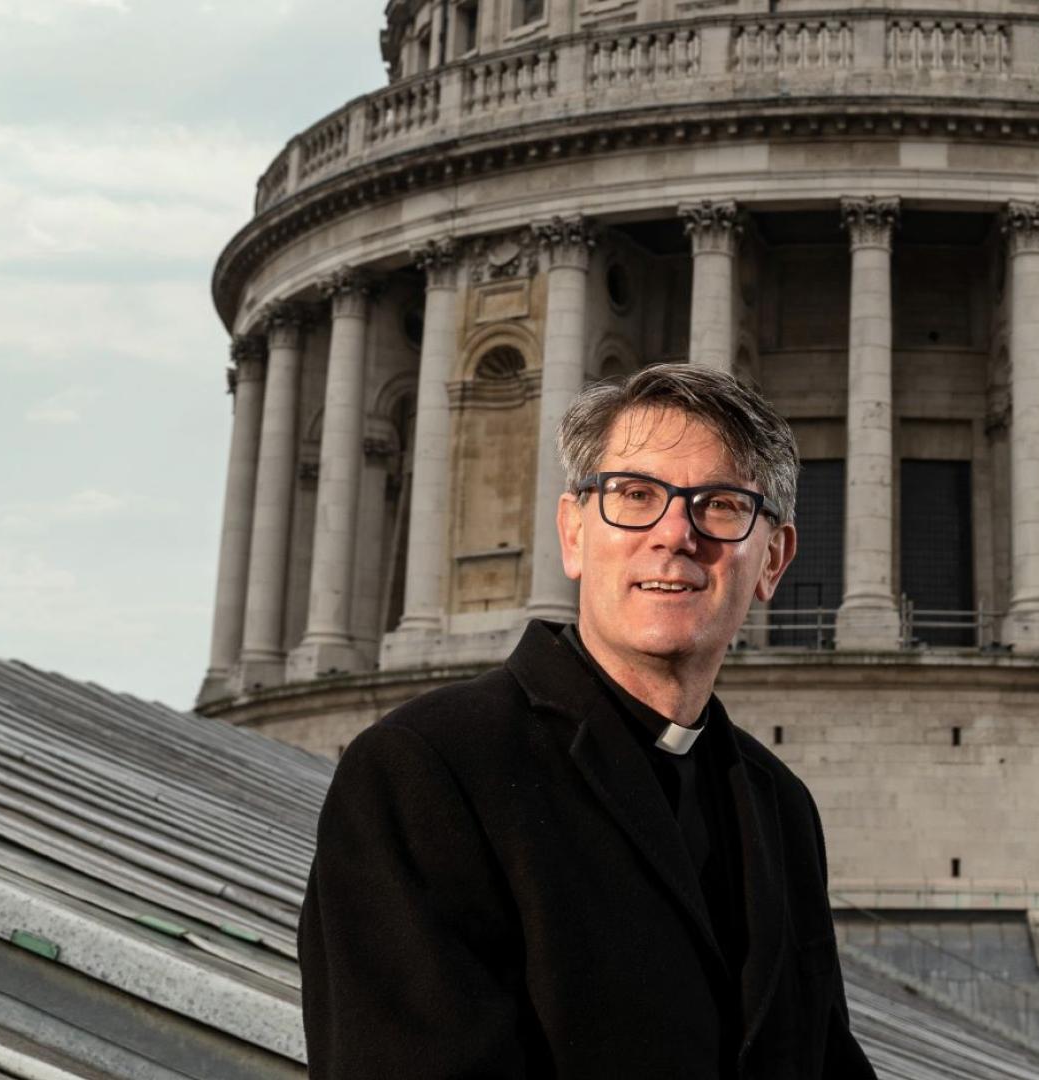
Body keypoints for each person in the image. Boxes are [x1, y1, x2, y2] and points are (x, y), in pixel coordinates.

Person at [298, 364, 877, 1078]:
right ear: (574, 534)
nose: (675, 534)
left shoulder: (781, 806)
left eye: (721, 505)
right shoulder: (427, 771)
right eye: (636, 495)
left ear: (773, 560)